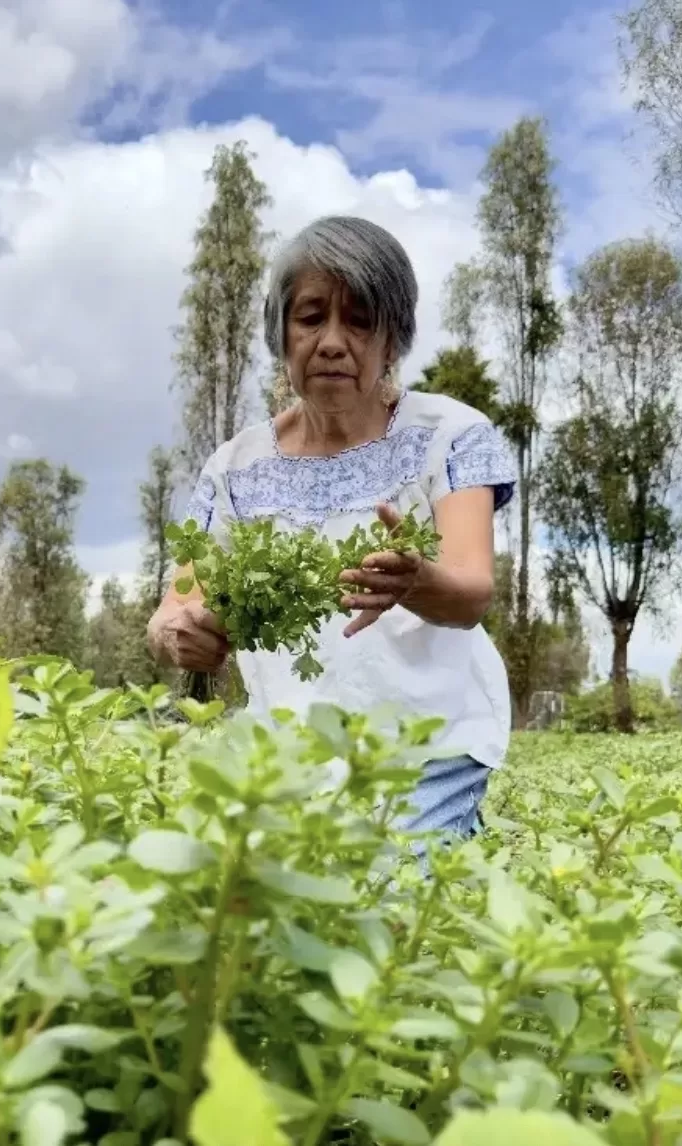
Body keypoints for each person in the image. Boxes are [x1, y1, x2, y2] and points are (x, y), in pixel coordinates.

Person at [146, 214, 517, 843]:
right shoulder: (235, 467)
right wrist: (182, 636)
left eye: (361, 320)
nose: (333, 341)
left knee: (387, 904)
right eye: (312, 317)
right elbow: (172, 612)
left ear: (393, 339)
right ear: (281, 334)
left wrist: (414, 582)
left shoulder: (449, 435)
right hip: (284, 756)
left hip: (428, 744)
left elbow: (472, 591)